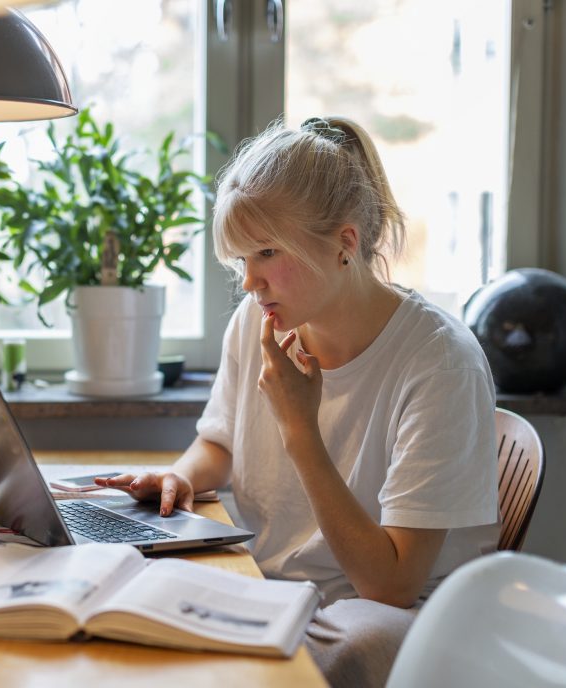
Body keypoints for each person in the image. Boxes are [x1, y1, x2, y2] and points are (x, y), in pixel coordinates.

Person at [96, 116, 499, 687]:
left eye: (266, 252)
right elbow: (220, 441)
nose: (250, 283)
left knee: (346, 637)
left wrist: (299, 429)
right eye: (241, 260)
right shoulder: (257, 322)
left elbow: (390, 585)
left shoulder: (439, 361)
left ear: (345, 243)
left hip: (395, 618)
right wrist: (180, 477)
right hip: (276, 590)